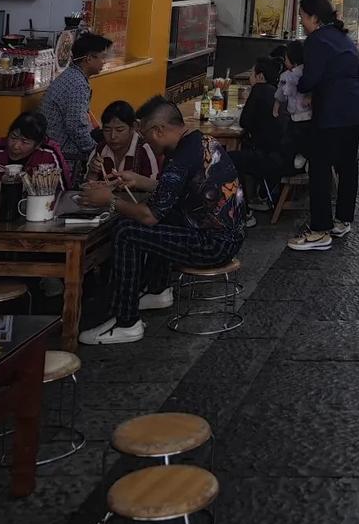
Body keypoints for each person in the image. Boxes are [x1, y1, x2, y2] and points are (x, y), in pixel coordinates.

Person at [79, 95, 245, 345]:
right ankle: (157, 290)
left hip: (212, 245)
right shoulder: (199, 141)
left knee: (127, 230)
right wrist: (140, 180)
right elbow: (177, 190)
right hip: (226, 236)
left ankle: (127, 322)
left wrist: (108, 200)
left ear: (158, 130)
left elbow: (149, 216)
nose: (146, 142)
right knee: (159, 216)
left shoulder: (180, 159)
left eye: (146, 136)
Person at [287, 0, 359, 252]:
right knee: (347, 166)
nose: (301, 22)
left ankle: (320, 229)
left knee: (320, 167)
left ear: (314, 17)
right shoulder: (341, 36)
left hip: (333, 112)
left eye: (302, 16)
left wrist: (300, 84)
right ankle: (343, 220)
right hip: (355, 109)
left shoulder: (316, 40)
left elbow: (310, 79)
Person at [41, 32, 111, 180]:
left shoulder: (72, 76)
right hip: (63, 156)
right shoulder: (77, 85)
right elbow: (76, 128)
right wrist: (96, 152)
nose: (105, 61)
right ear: (89, 58)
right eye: (102, 57)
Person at [229, 57, 289, 215]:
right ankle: (257, 196)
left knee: (228, 159)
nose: (250, 77)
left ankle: (243, 210)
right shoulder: (277, 91)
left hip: (271, 160)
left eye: (252, 74)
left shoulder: (258, 90)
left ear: (260, 77)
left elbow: (244, 122)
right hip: (284, 156)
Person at [0, 110, 70, 193]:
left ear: (37, 145)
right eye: (13, 137)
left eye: (24, 142)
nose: (16, 145)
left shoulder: (49, 153)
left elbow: (63, 191)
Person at [88, 101, 159, 184]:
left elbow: (154, 190)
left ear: (134, 127)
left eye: (119, 130)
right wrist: (92, 173)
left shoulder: (144, 150)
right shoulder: (100, 150)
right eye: (107, 130)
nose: (113, 136)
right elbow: (87, 187)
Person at [275, 40, 312, 169]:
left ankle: (302, 156)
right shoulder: (309, 72)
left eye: (286, 58)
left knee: (294, 138)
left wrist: (276, 106)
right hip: (307, 115)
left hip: (297, 115)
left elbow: (281, 94)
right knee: (303, 138)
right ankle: (305, 156)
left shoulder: (288, 76)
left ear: (294, 60)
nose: (285, 61)